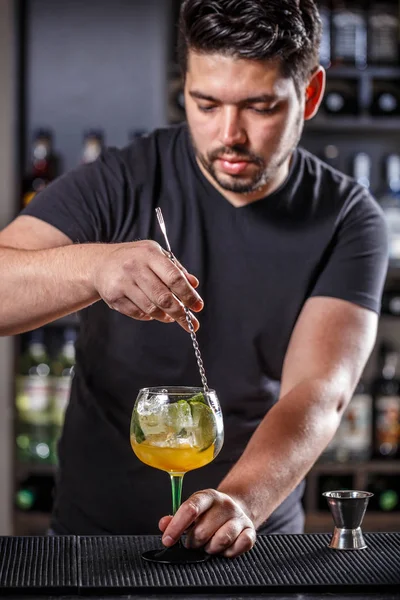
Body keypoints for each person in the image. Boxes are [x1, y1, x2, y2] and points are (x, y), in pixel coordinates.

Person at [0, 0, 388, 559]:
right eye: (205, 103)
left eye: (259, 106)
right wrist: (94, 266)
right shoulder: (123, 179)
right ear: (185, 86)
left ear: (308, 94)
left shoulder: (348, 218)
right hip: (97, 535)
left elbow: (319, 391)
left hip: (249, 536)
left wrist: (239, 502)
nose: (228, 134)